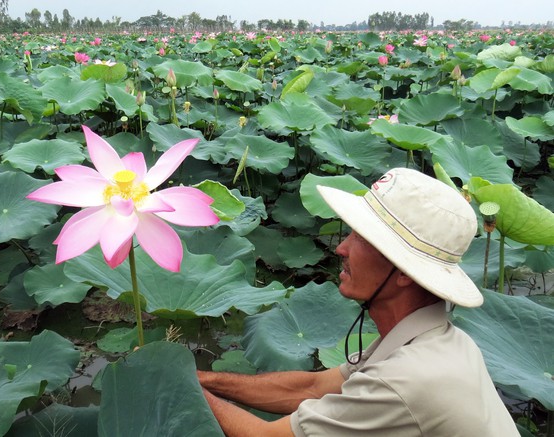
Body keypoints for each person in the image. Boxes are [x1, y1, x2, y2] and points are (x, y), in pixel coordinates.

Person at [199, 167, 518, 436]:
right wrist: (203, 379)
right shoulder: (435, 340)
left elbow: (265, 435)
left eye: (361, 237)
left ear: (404, 272)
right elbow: (308, 388)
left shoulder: (409, 379)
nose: (341, 249)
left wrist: (180, 383)